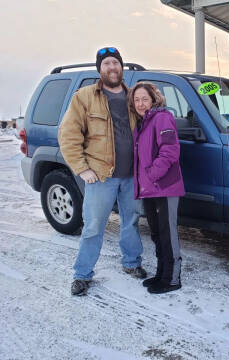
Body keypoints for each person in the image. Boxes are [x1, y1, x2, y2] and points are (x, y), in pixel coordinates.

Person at [58, 47, 146, 296]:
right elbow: (68, 135)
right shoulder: (84, 97)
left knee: (131, 222)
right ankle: (82, 274)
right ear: (100, 69)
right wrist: (81, 168)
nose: (112, 67)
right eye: (107, 63)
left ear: (122, 67)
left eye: (116, 63)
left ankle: (131, 263)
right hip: (100, 176)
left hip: (131, 176)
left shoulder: (133, 98)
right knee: (94, 226)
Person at [129, 81, 185, 294]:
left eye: (144, 99)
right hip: (149, 189)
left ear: (153, 99)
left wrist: (152, 174)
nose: (141, 103)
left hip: (164, 187)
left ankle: (172, 279)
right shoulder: (143, 123)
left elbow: (170, 151)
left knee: (167, 233)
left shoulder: (162, 117)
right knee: (156, 234)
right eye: (137, 100)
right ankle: (162, 274)